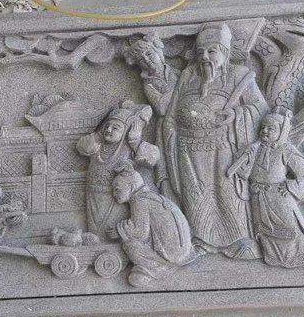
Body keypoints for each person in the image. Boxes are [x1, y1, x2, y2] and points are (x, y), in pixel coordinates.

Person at [162, 22, 269, 259]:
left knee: (227, 193)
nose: (204, 57)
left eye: (212, 51)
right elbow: (171, 114)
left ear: (225, 53)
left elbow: (260, 109)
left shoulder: (240, 75)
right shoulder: (188, 76)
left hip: (225, 147)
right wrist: (171, 138)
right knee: (197, 195)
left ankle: (239, 240)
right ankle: (202, 240)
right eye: (200, 52)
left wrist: (236, 115)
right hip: (189, 150)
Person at [227, 112, 304, 268]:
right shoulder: (256, 148)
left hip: (279, 196)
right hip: (258, 195)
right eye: (263, 127)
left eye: (270, 128)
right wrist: (247, 157)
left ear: (281, 131)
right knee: (265, 230)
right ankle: (274, 258)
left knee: (290, 228)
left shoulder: (286, 149)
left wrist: (292, 187)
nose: (264, 131)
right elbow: (244, 174)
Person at [77, 102, 159, 240]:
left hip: (116, 196)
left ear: (125, 131)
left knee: (110, 232)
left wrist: (135, 141)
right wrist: (99, 134)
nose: (109, 129)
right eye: (107, 126)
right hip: (93, 194)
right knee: (94, 232)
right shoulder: (98, 145)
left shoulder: (128, 147)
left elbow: (153, 159)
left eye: (115, 128)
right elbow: (81, 147)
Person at [113, 163, 195, 287]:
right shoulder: (152, 197)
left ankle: (158, 268)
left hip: (172, 255)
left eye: (117, 189)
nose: (114, 194)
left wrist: (120, 229)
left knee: (130, 245)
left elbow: (140, 233)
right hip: (183, 252)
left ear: (131, 186)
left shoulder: (139, 200)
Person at [124, 34, 179, 198]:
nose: (147, 61)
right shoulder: (149, 84)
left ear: (159, 52)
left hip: (188, 124)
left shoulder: (177, 73)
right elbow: (161, 108)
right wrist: (180, 88)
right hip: (168, 129)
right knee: (171, 170)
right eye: (141, 60)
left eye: (149, 54)